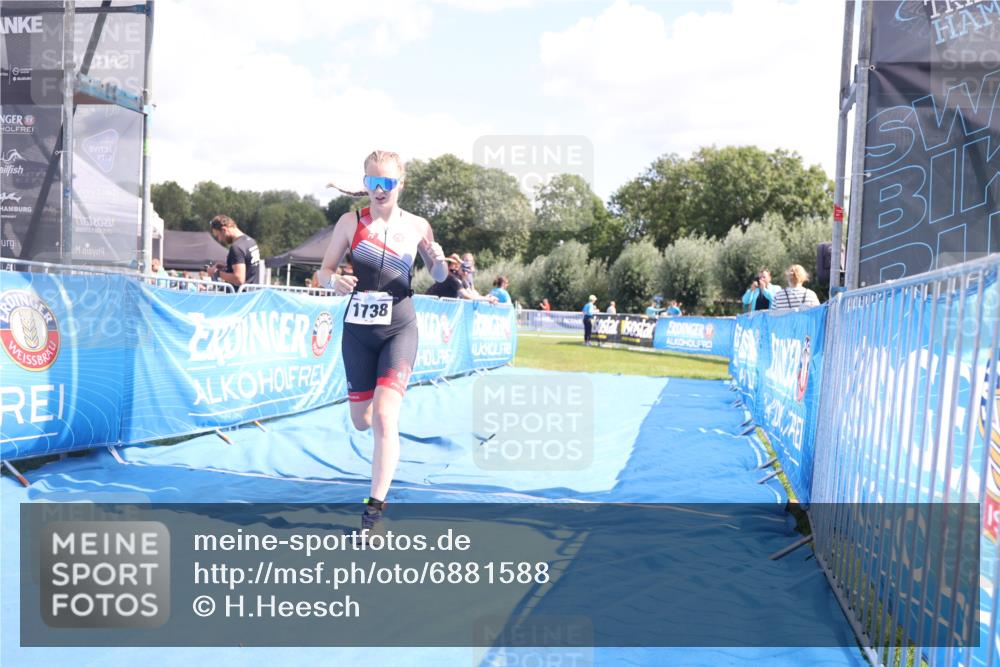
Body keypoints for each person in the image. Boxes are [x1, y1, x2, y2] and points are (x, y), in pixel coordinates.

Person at [318, 150, 450, 532]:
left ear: (400, 184)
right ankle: (377, 429)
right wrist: (333, 281)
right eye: (372, 182)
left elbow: (439, 275)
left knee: (385, 417)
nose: (379, 190)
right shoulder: (350, 222)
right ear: (365, 183)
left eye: (387, 182)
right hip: (358, 333)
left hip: (399, 329)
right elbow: (324, 272)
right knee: (362, 421)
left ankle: (373, 509)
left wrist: (439, 260)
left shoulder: (418, 225)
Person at [207, 214, 261, 287]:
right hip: (253, 291)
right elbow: (248, 268)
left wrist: (217, 273)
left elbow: (239, 279)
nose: (219, 240)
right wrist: (225, 267)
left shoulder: (237, 247)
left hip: (241, 293)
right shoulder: (251, 241)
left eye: (218, 235)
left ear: (224, 230)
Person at [427, 255, 498, 302]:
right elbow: (466, 296)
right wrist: (487, 299)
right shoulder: (453, 279)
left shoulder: (462, 280)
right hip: (430, 303)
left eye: (468, 271)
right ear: (459, 268)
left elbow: (472, 294)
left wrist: (486, 297)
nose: (465, 273)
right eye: (463, 270)